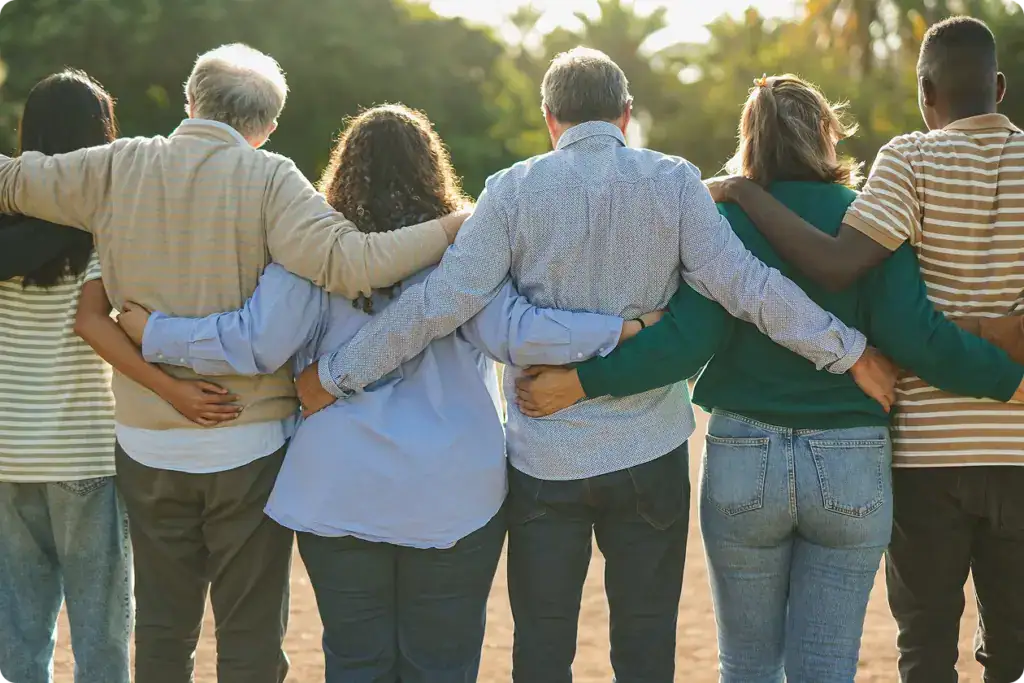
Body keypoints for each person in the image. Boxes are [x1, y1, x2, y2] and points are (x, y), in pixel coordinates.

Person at [293, 49, 894, 683]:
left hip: (545, 459)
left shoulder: (511, 190)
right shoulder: (674, 181)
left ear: (549, 117)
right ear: (625, 114)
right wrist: (848, 351)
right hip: (649, 451)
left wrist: (335, 375)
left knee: (543, 643)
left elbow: (438, 305)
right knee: (645, 642)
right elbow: (749, 285)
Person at [514, 73, 1024, 683]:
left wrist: (584, 380)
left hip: (744, 454)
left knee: (748, 665)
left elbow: (687, 342)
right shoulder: (868, 220)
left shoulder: (725, 222)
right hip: (850, 455)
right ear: (827, 136)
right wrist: (1004, 369)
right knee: (826, 667)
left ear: (749, 141)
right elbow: (910, 332)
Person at [115, 103, 650, 682]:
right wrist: (623, 328)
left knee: (356, 663)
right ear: (433, 168)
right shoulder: (466, 252)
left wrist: (154, 332)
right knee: (441, 666)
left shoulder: (315, 255)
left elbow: (257, 341)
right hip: (452, 492)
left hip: (339, 488)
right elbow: (517, 333)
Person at [0, 45, 468, 683]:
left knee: (163, 630)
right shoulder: (272, 179)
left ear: (190, 101)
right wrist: (453, 227)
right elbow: (354, 263)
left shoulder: (115, 165)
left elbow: (10, 181)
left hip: (146, 444)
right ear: (267, 125)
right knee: (249, 635)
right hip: (248, 443)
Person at [704, 18, 1024, 683]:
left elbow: (849, 273)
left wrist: (741, 190)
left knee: (925, 646)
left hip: (928, 451)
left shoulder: (908, 160)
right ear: (998, 87)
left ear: (924, 92)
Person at [0, 70, 136, 683]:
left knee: (17, 635)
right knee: (101, 633)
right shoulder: (107, 229)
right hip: (84, 451)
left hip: (7, 453)